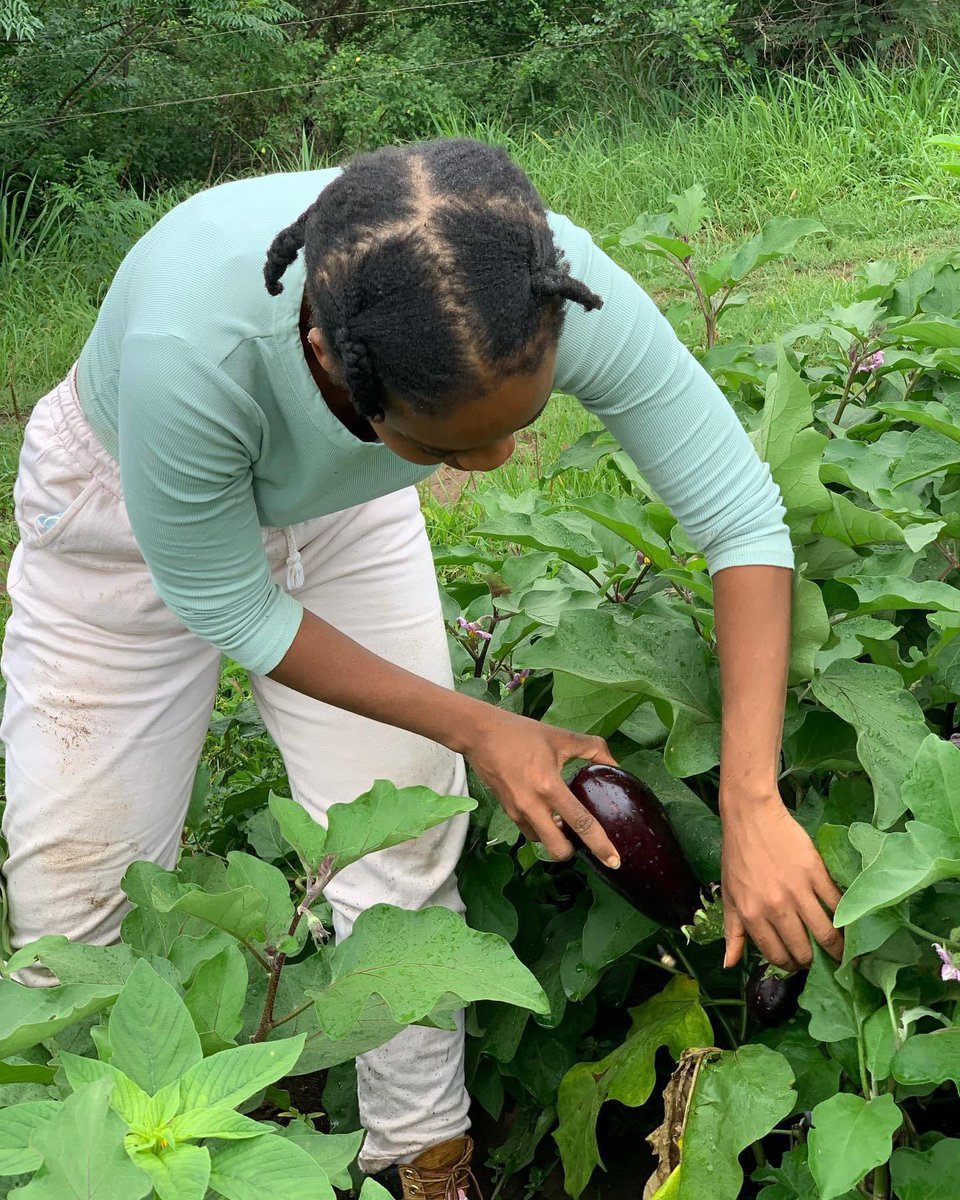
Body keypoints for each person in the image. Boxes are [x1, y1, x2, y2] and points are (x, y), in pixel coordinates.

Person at [0, 138, 843, 1197]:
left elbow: (739, 513)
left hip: (344, 503)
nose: (493, 465)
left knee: (400, 834)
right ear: (334, 368)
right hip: (123, 514)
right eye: (456, 454)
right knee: (71, 908)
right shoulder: (193, 348)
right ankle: (63, 1164)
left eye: (519, 429)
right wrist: (477, 723)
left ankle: (425, 1154)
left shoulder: (532, 288)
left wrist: (754, 797)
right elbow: (227, 602)